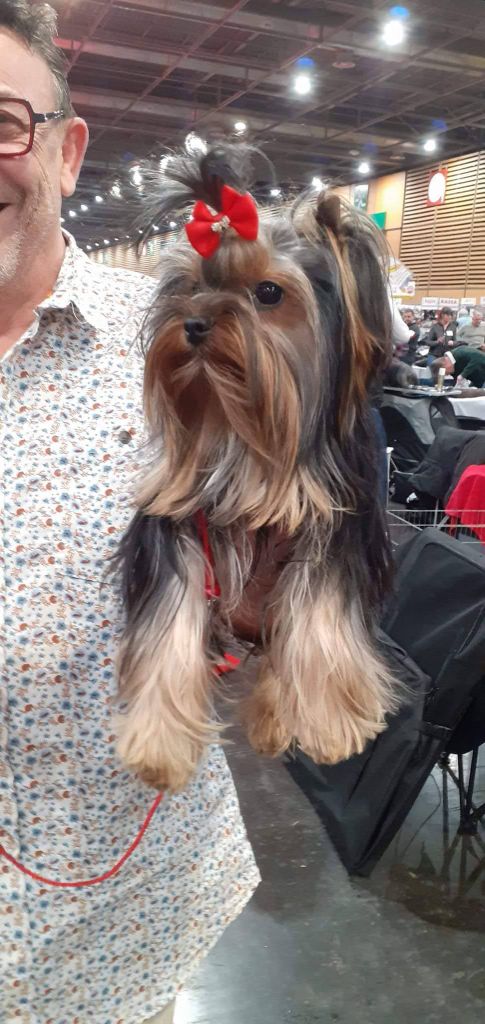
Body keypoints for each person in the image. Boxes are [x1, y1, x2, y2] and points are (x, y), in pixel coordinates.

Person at [0, 5, 259, 1024]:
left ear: (68, 153)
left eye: (4, 123)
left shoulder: (179, 338)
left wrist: (262, 603)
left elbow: (277, 553)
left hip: (133, 924)